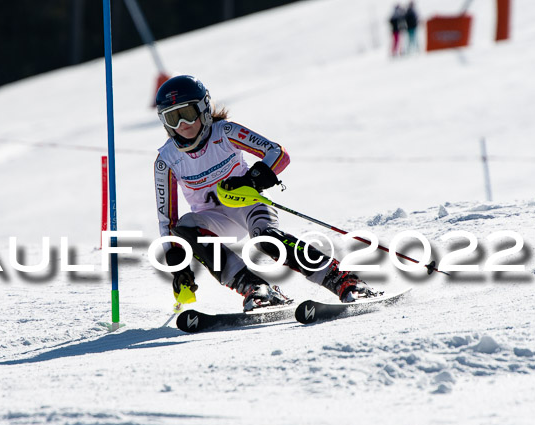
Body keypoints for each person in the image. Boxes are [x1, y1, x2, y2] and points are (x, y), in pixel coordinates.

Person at [153, 75, 376, 311]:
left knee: (265, 238)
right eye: (173, 118)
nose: (182, 124)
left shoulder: (225, 132)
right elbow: (167, 220)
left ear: (204, 109)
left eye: (187, 113)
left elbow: (278, 153)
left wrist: (251, 179)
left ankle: (344, 280)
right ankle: (257, 288)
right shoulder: (166, 161)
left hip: (247, 205)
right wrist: (178, 266)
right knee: (184, 227)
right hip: (213, 221)